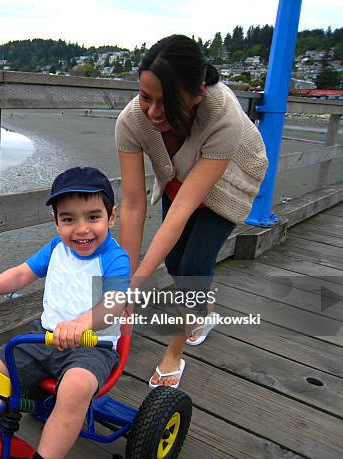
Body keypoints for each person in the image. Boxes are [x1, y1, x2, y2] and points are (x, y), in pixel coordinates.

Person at [0, 167, 130, 459]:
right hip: (42, 339)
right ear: (55, 222)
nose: (81, 229)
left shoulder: (114, 258)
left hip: (92, 346)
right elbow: (22, 273)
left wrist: (80, 324)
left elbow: (114, 304)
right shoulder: (57, 248)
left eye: (93, 217)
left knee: (74, 390)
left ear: (111, 216)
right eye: (69, 219)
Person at [115, 35, 267, 388]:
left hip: (229, 178)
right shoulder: (131, 121)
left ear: (197, 93)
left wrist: (139, 282)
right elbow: (134, 205)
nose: (152, 113)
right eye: (145, 97)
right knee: (173, 263)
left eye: (166, 103)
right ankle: (205, 310)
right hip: (178, 178)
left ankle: (174, 354)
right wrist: (126, 276)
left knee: (194, 268)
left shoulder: (223, 115)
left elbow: (182, 210)